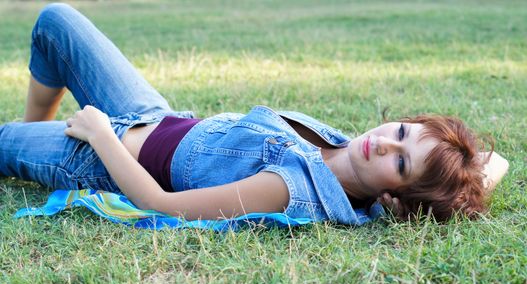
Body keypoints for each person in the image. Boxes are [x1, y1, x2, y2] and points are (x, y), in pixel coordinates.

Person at [0, 3, 509, 224]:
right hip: (156, 116)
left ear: (396, 193)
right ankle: (31, 129)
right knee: (56, 21)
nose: (384, 141)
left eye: (399, 161)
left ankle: (28, 141)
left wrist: (98, 136)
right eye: (401, 131)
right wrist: (448, 174)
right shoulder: (346, 152)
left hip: (102, 154)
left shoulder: (297, 188)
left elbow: (161, 204)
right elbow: (493, 161)